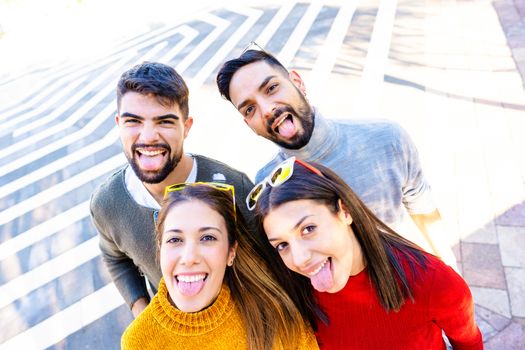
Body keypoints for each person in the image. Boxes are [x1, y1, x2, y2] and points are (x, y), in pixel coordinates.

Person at [216, 48, 457, 268]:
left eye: (271, 88)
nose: (266, 109)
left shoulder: (386, 138)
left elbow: (424, 210)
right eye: (249, 109)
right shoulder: (268, 182)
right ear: (249, 124)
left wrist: (453, 275)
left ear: (298, 83)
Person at [249, 157, 483, 349]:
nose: (300, 259)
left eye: (308, 229)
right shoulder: (295, 292)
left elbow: (468, 343)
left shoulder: (432, 280)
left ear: (345, 211)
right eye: (282, 245)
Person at [90, 62, 254, 318]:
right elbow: (114, 256)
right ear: (119, 124)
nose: (148, 136)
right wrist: (141, 310)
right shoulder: (107, 203)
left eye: (164, 121)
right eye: (133, 121)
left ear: (186, 127)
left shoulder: (236, 188)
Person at [121, 182, 318, 349]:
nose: (189, 258)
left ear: (231, 252)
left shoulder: (274, 312)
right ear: (160, 247)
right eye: (175, 239)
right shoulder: (138, 342)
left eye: (207, 237)